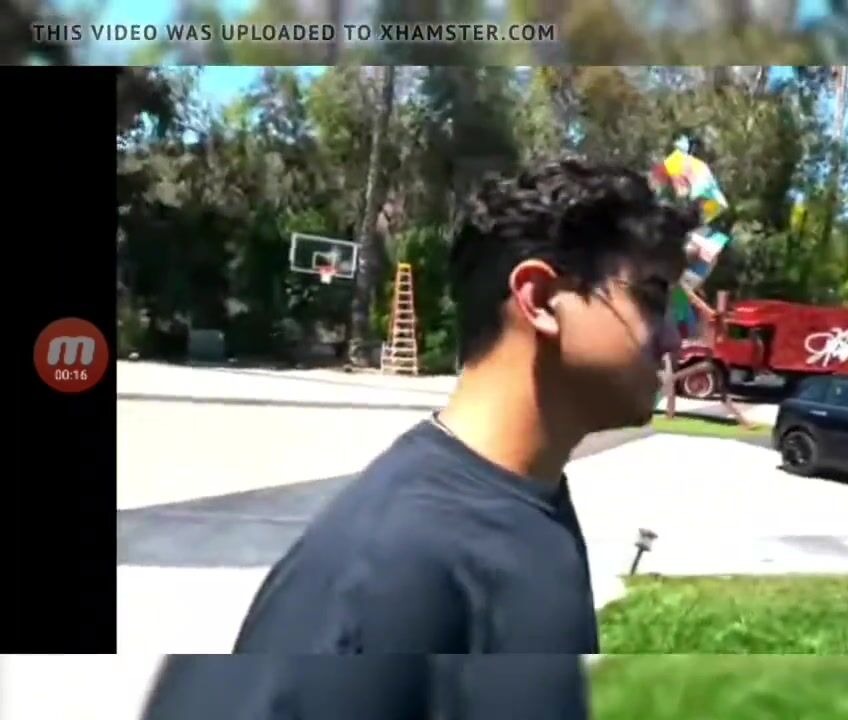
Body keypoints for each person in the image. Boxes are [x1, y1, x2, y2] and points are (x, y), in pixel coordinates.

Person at [140, 158, 699, 719]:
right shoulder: (384, 576)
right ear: (540, 299)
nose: (675, 340)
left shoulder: (534, 496)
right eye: (653, 298)